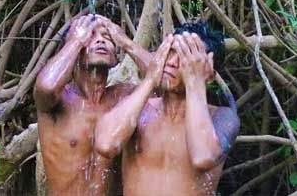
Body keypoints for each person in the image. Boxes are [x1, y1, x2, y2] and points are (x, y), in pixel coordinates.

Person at [93, 21, 241, 196]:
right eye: (170, 52)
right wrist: (150, 79)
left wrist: (195, 82)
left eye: (185, 59)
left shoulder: (222, 117)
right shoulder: (140, 109)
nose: (171, 62)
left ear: (208, 73)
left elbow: (203, 157)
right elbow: (105, 144)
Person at [33, 14, 153, 196]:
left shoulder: (123, 97)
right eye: (90, 36)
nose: (100, 41)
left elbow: (166, 80)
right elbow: (46, 86)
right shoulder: (57, 100)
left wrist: (126, 42)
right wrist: (76, 40)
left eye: (107, 37)